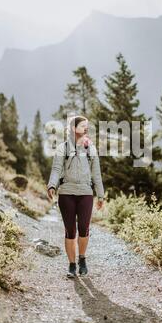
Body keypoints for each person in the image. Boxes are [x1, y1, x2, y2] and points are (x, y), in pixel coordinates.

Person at [47, 115, 105, 278]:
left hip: (86, 193)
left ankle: (82, 259)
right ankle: (72, 265)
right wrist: (52, 185)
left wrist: (100, 195)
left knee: (84, 229)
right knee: (70, 231)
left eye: (87, 126)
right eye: (82, 126)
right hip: (66, 194)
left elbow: (97, 174)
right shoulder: (63, 148)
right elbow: (56, 169)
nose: (86, 128)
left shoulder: (91, 149)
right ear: (73, 128)